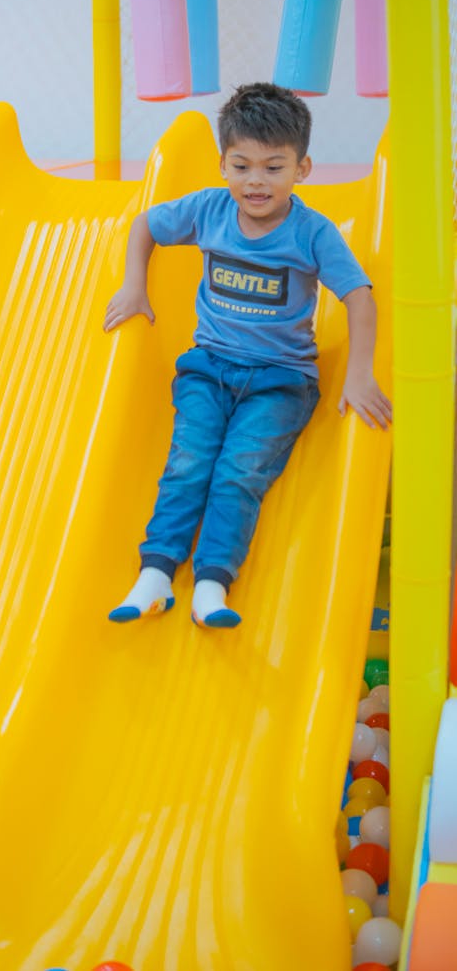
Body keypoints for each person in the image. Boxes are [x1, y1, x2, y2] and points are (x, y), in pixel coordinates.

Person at [103, 81, 392, 629]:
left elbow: (359, 295)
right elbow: (145, 224)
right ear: (223, 164)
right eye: (242, 166)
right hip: (208, 368)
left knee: (238, 471)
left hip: (280, 381)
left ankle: (212, 583)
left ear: (302, 169)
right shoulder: (210, 210)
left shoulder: (312, 233)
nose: (255, 181)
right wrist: (133, 286)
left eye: (273, 167)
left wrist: (358, 374)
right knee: (188, 464)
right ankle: (156, 574)